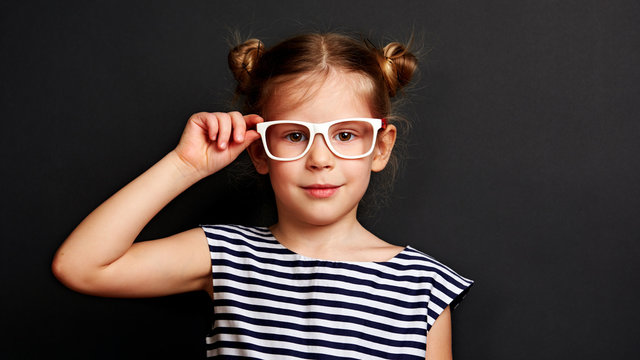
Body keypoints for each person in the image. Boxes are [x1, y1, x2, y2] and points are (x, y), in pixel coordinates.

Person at [52, 32, 473, 359]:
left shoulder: (422, 284)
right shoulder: (226, 255)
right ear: (259, 151)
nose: (320, 159)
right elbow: (82, 266)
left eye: (345, 135)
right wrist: (185, 166)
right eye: (294, 136)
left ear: (379, 147)